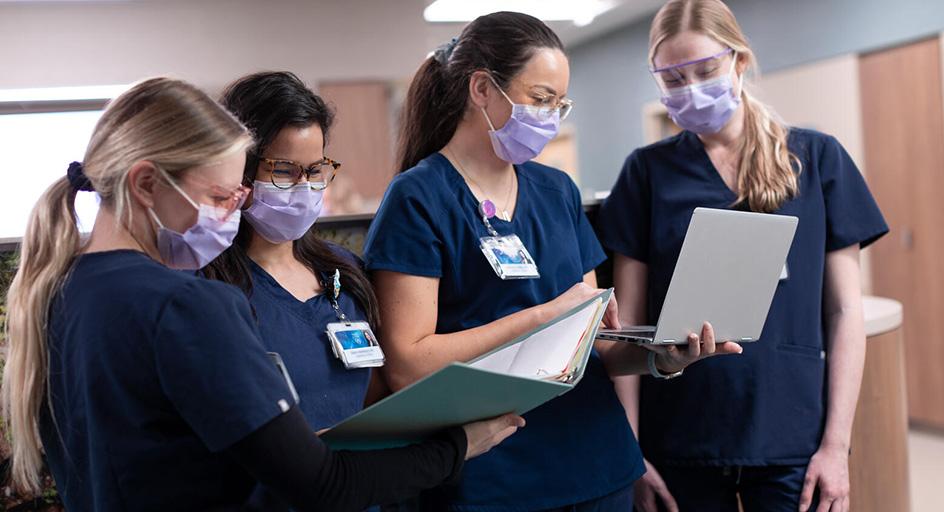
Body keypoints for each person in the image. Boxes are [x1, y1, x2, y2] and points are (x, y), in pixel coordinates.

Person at [0, 77, 522, 512]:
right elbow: (322, 484)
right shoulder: (190, 304)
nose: (229, 214)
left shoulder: (60, 287)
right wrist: (460, 446)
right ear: (145, 184)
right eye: (220, 196)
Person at [362, 12, 740, 511]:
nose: (550, 116)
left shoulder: (556, 190)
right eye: (540, 99)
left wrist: (661, 358)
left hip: (596, 462)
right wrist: (542, 316)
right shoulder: (418, 198)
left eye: (559, 104)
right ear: (482, 89)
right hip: (495, 474)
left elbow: (591, 344)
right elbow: (408, 367)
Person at [597, 1, 889, 511]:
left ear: (739, 61)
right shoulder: (646, 174)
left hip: (791, 432)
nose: (690, 89)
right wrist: (631, 454)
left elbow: (844, 311)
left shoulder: (815, 159)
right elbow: (629, 323)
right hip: (681, 437)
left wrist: (836, 447)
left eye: (705, 70)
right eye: (672, 78)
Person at [203, 71, 386, 431]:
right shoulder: (208, 284)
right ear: (240, 170)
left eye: (315, 170)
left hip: (361, 477)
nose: (304, 187)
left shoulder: (344, 271)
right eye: (284, 171)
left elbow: (374, 395)